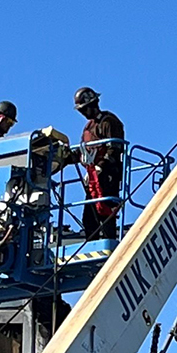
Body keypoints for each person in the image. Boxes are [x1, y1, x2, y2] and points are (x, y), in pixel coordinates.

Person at [73, 87, 125, 239]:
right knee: (89, 219)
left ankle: (109, 246)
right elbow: (82, 150)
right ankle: (92, 245)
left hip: (108, 177)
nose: (82, 113)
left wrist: (99, 167)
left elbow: (114, 150)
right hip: (93, 179)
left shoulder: (109, 122)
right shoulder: (89, 127)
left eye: (84, 109)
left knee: (106, 214)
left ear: (92, 104)